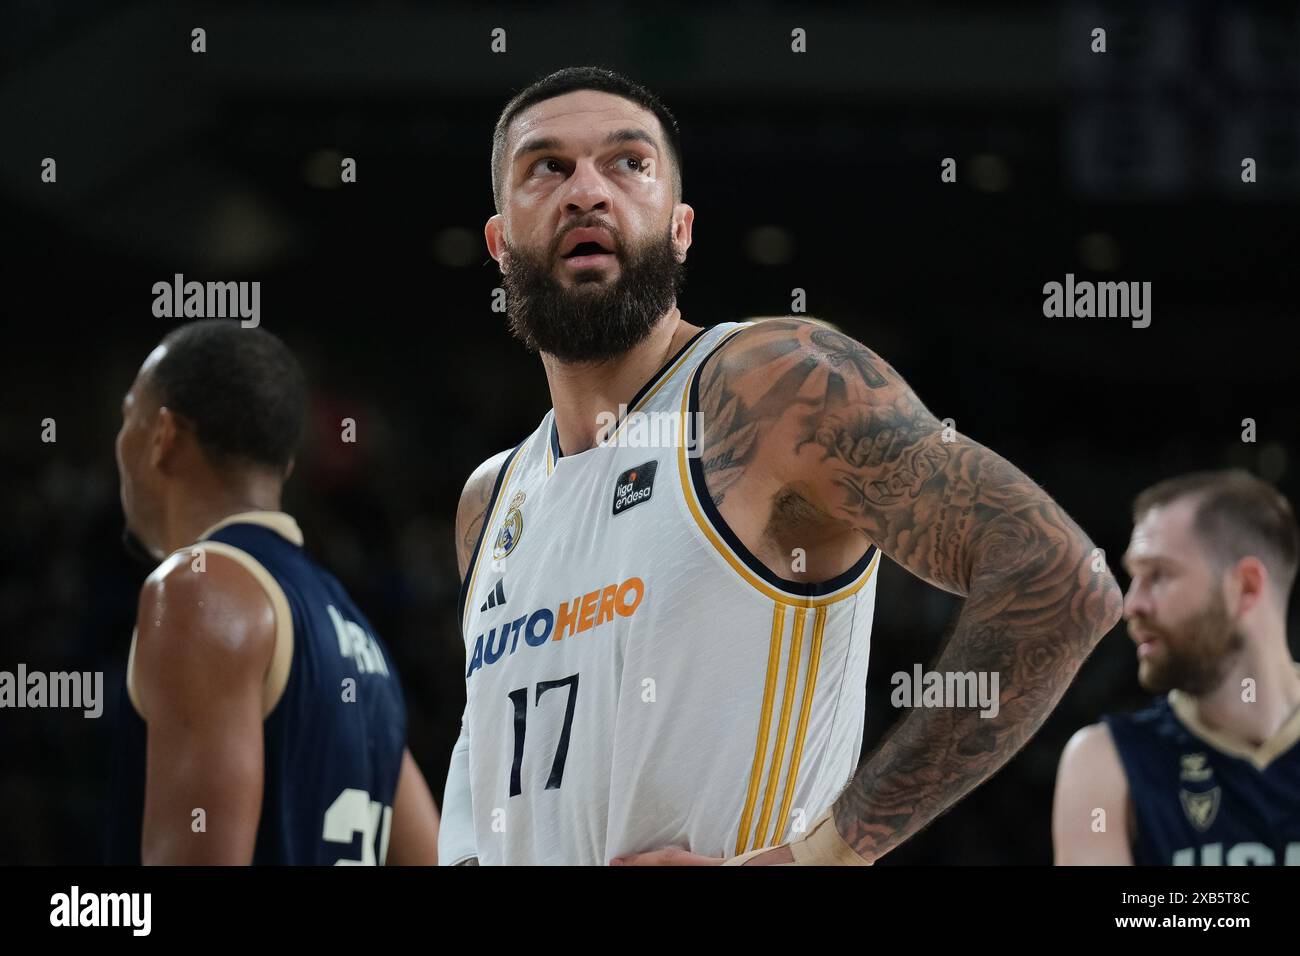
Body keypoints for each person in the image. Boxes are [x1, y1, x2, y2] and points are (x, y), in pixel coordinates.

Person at [438, 66, 1121, 866]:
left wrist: (816, 857)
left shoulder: (770, 386)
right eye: (547, 167)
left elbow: (1061, 578)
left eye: (629, 163)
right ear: (498, 241)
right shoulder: (489, 501)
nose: (588, 191)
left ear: (681, 227)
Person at [107, 320, 439, 864]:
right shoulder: (356, 632)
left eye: (127, 418)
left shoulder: (195, 589)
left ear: (164, 436)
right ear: (285, 463)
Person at [1054, 469, 1300, 865]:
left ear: (1247, 586)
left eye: (1158, 575)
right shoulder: (1105, 761)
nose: (1130, 606)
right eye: (1134, 578)